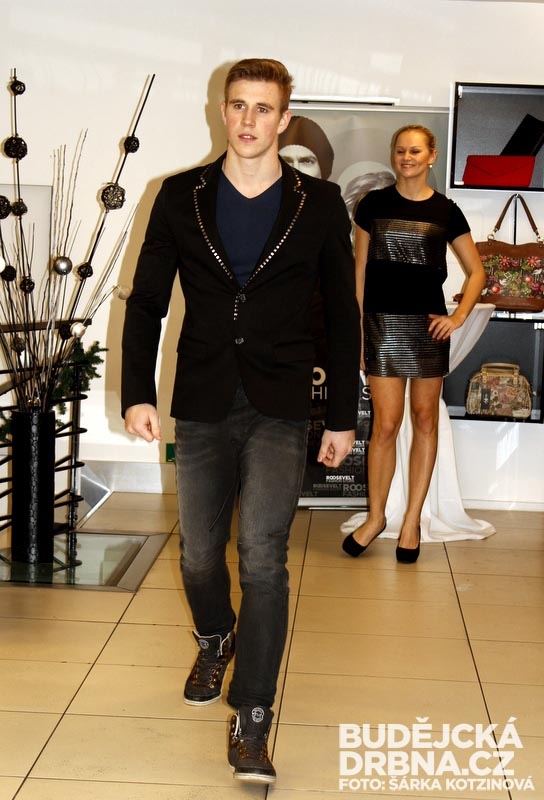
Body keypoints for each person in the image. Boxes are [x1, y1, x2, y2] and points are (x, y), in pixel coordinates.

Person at [121, 58, 360, 784]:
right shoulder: (179, 196)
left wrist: (340, 417)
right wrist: (136, 393)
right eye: (238, 105)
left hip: (280, 402)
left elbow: (342, 314)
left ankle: (253, 715)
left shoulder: (319, 203)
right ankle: (215, 636)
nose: (248, 120)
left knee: (261, 557)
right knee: (199, 556)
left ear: (284, 120)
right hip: (201, 395)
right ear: (221, 111)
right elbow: (147, 300)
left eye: (263, 108)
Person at [341, 124, 486, 564]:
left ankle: (411, 523)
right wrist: (359, 332)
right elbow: (358, 273)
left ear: (431, 156)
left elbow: (477, 272)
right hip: (382, 326)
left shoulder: (446, 210)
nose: (407, 157)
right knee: (385, 427)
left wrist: (457, 318)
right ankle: (375, 518)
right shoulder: (372, 204)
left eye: (416, 151)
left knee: (425, 421)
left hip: (427, 329)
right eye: (401, 150)